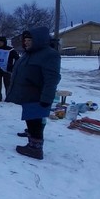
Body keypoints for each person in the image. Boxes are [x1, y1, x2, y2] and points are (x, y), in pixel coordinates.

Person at [6, 27, 61, 160]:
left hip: (38, 95)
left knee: (35, 122)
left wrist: (46, 98)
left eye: (29, 40)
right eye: (25, 40)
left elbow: (52, 78)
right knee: (31, 120)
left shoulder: (49, 54)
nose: (26, 42)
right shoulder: (30, 53)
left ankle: (35, 149)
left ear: (39, 40)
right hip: (28, 95)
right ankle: (32, 143)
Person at [0, 36, 20, 102]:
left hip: (7, 70)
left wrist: (13, 67)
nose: (0, 43)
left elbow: (17, 58)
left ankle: (9, 97)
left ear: (4, 42)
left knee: (8, 84)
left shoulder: (10, 50)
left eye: (1, 42)